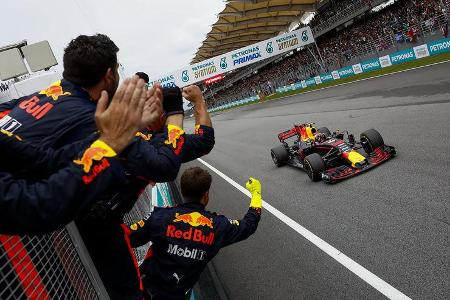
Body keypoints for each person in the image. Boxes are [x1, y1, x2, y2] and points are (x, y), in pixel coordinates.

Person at [0, 76, 147, 235]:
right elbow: (37, 207)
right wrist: (108, 143)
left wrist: (106, 139)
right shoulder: (83, 110)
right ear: (109, 74)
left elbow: (43, 159)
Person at [129, 167, 262, 300]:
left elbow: (130, 238)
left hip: (142, 290)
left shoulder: (159, 216)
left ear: (181, 190)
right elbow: (249, 225)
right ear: (205, 195)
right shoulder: (217, 226)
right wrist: (256, 194)